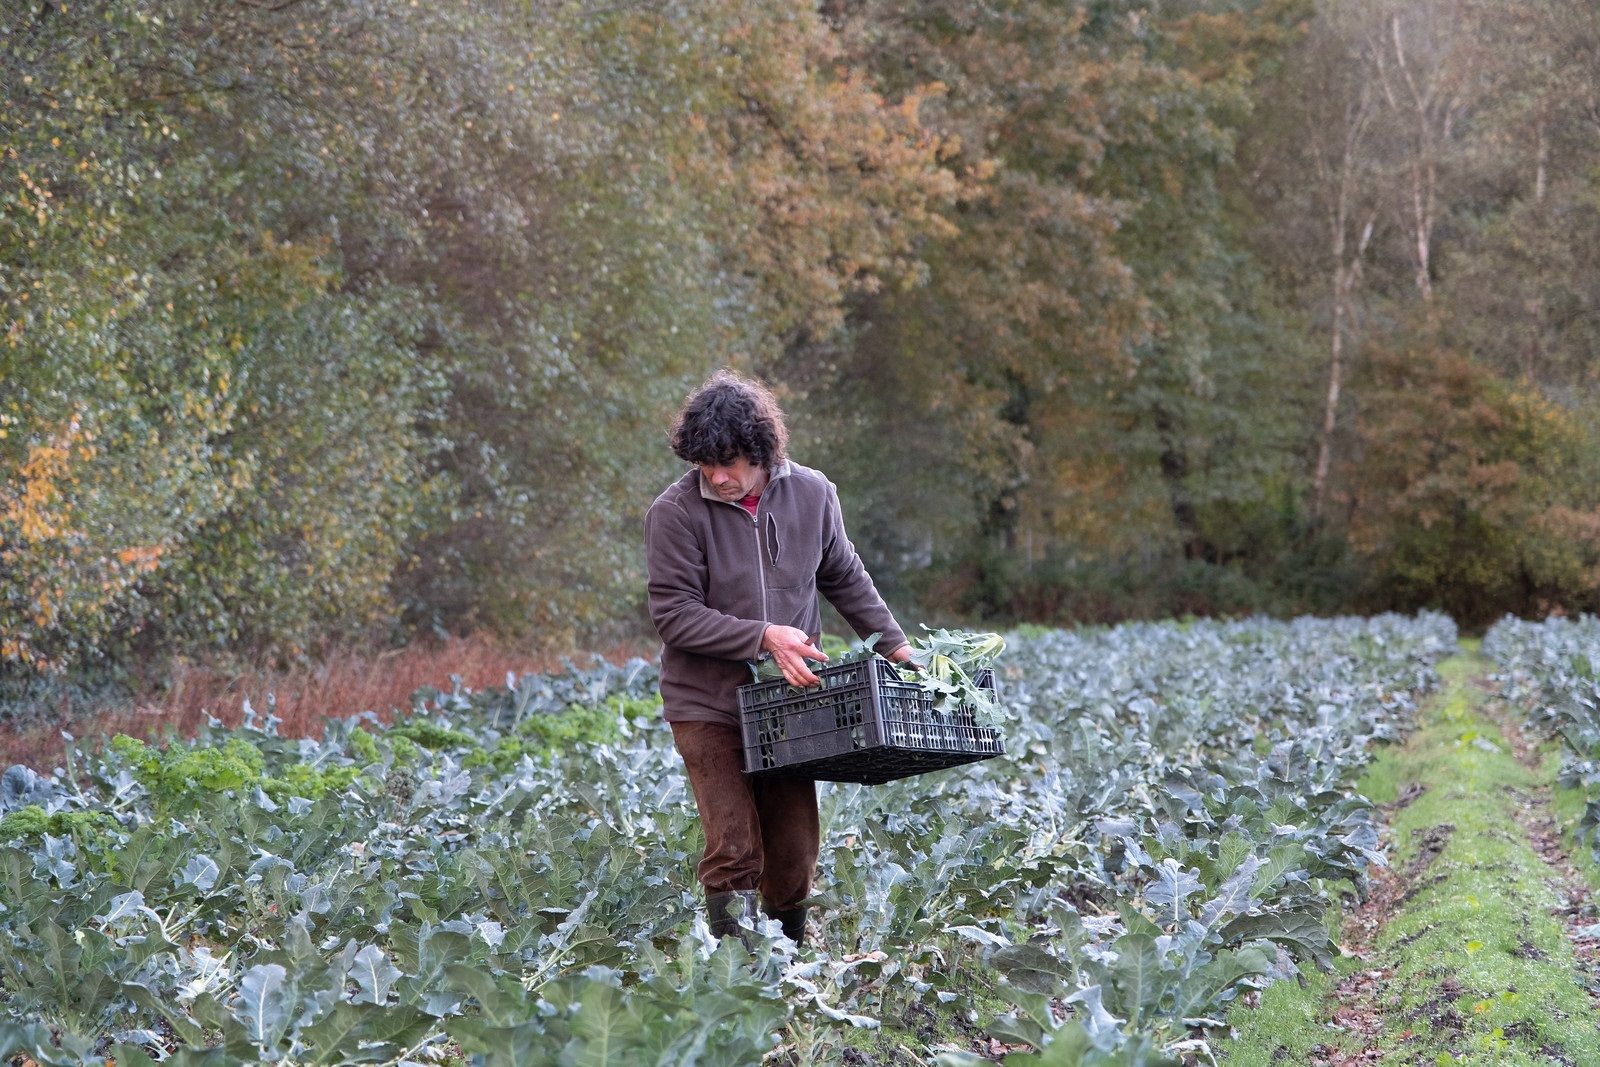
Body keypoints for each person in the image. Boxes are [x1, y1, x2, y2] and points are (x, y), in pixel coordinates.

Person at [644, 369, 913, 948]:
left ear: (763, 453)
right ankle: (736, 976)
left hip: (789, 703)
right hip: (706, 705)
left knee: (792, 855)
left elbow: (844, 577)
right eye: (704, 464)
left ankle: (788, 967)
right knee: (735, 846)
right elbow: (673, 614)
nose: (717, 476)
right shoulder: (675, 513)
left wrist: (896, 644)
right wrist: (764, 635)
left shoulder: (814, 493)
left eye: (730, 462)